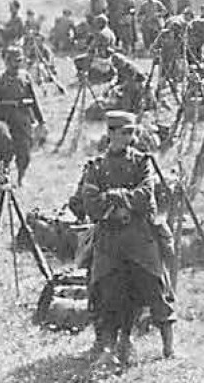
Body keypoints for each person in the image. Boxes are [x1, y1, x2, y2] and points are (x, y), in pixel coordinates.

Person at [72, 111, 176, 363]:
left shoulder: (142, 162)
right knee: (108, 293)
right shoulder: (95, 167)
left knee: (156, 289)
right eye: (124, 132)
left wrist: (113, 197)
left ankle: (169, 349)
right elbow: (89, 203)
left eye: (133, 132)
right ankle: (109, 348)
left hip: (140, 237)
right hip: (110, 240)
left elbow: (146, 196)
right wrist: (120, 201)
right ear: (111, 134)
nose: (130, 137)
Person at [0, 46, 46, 183]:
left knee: (24, 150)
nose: (17, 64)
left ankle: (21, 177)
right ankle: (4, 175)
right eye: (14, 61)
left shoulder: (25, 76)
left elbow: (33, 99)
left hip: (23, 117)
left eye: (19, 61)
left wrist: (41, 120)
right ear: (7, 62)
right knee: (6, 149)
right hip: (5, 117)